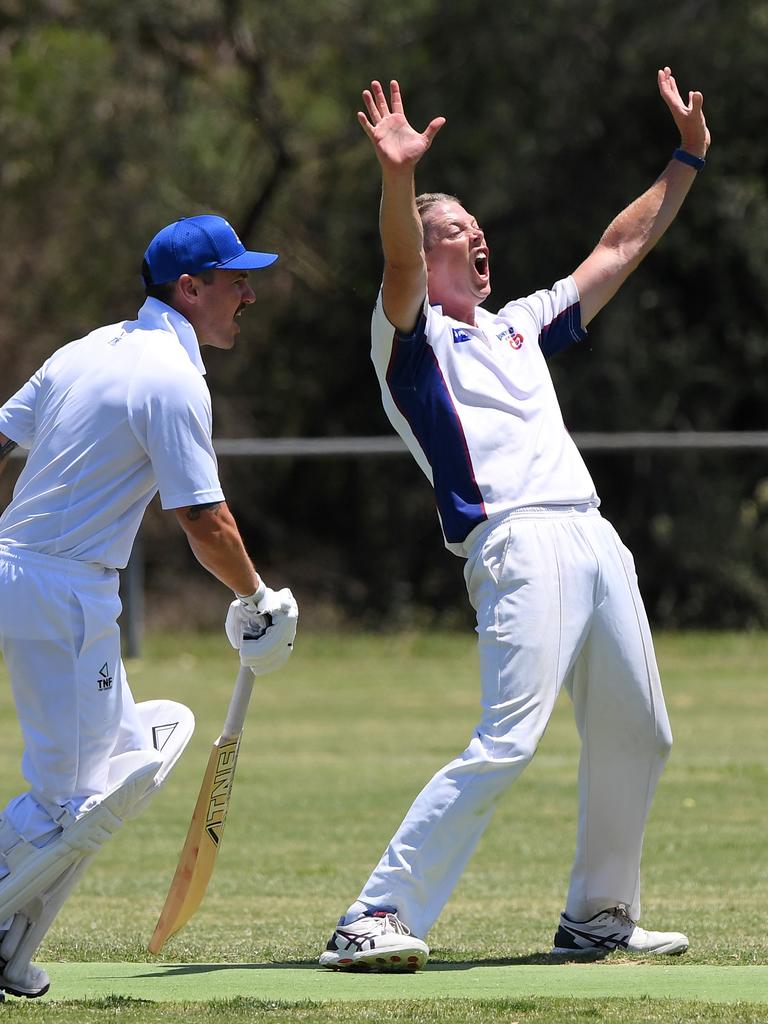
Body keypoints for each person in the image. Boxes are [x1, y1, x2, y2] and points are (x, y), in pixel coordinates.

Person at [319, 69, 709, 972]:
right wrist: (399, 179)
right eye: (458, 231)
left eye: (478, 230)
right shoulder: (407, 342)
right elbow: (400, 259)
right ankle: (374, 915)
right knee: (510, 737)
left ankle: (598, 918)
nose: (476, 239)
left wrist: (686, 159)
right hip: (517, 540)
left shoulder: (521, 326)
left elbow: (618, 249)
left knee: (641, 731)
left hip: (591, 533)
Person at [0, 214, 298, 997]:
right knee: (74, 800)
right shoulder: (170, 375)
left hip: (51, 581)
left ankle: (10, 948)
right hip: (61, 587)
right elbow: (204, 518)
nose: (250, 294)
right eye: (236, 280)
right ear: (189, 288)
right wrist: (257, 599)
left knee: (126, 760)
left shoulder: (88, 348)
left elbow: (1, 438)